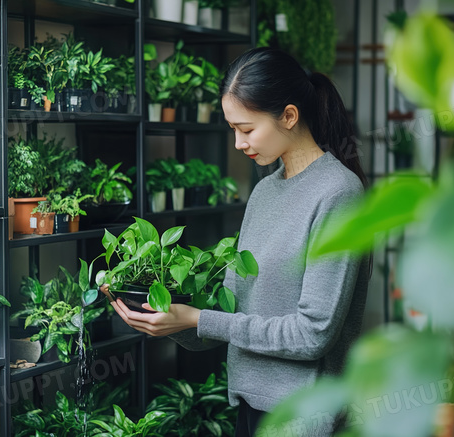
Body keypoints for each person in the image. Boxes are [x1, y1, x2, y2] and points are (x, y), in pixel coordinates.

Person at [105, 47, 372, 437]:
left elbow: (313, 334)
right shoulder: (264, 193)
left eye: (246, 129)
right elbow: (232, 314)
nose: (238, 143)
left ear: (290, 116)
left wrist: (198, 319)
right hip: (251, 407)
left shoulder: (338, 194)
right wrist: (167, 318)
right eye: (232, 129)